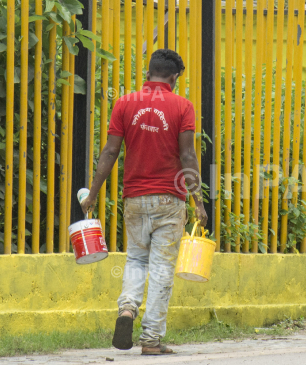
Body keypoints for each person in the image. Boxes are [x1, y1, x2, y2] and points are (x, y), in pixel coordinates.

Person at [81, 49, 208, 356]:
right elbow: (188, 155)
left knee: (136, 259)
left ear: (148, 72)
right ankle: (151, 339)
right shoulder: (182, 106)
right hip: (169, 199)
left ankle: (126, 310)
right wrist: (199, 203)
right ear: (174, 77)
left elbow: (110, 152)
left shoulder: (124, 103)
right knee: (162, 268)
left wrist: (93, 194)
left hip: (135, 198)